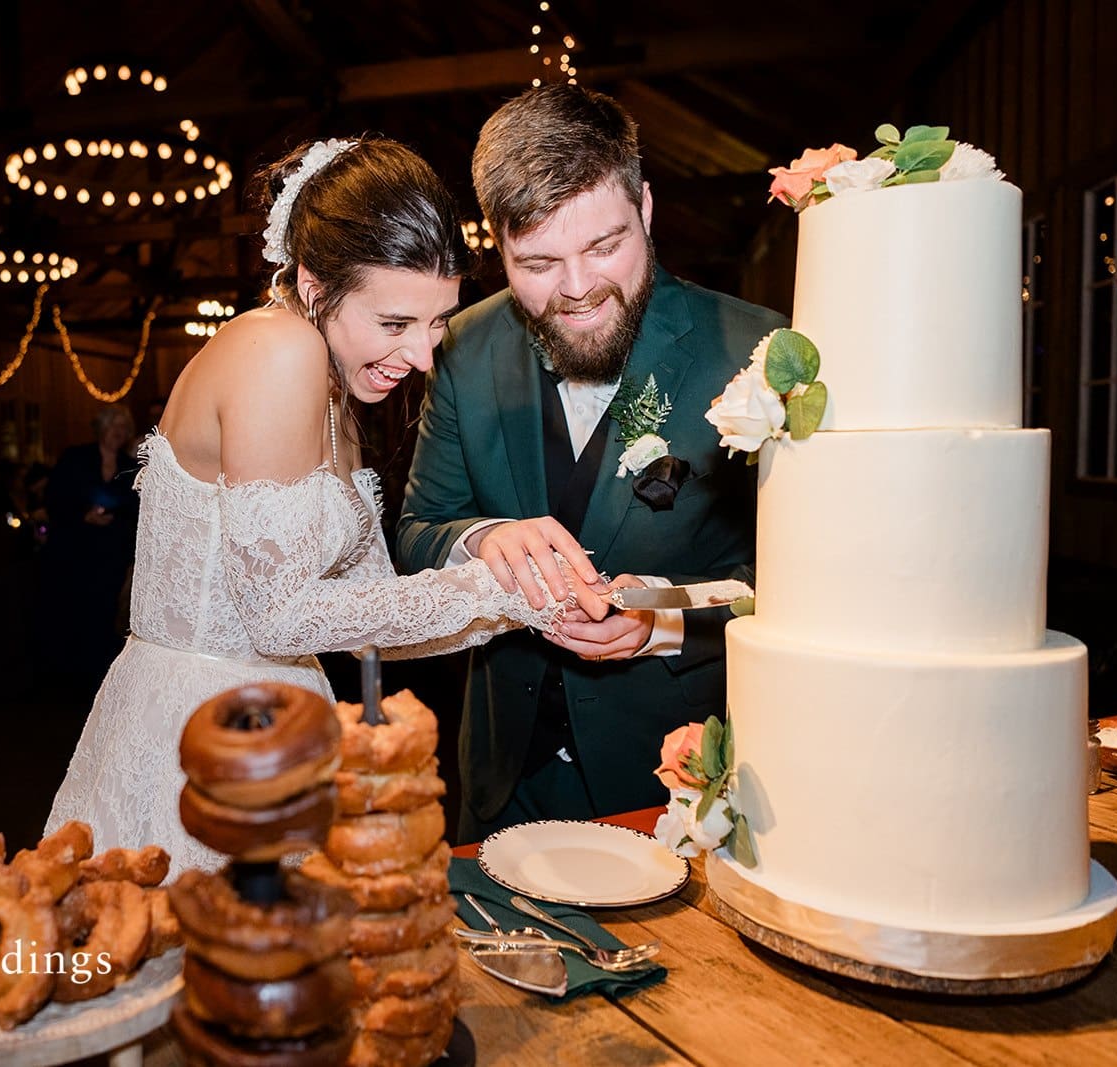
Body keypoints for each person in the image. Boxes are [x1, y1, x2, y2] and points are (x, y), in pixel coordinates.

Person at [46, 137, 607, 872]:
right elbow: (278, 615)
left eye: (437, 323)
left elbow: (374, 617)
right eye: (396, 323)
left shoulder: (337, 385)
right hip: (209, 737)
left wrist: (530, 598)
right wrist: (484, 586)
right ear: (315, 286)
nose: (424, 357)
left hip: (283, 724)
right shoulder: (277, 350)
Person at [396, 84, 787, 843]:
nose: (576, 290)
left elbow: (802, 589)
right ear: (497, 245)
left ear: (644, 207)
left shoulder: (757, 352)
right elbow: (416, 532)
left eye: (604, 247)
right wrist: (479, 539)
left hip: (676, 786)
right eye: (537, 262)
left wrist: (664, 620)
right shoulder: (462, 349)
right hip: (500, 779)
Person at [39, 405, 142, 696]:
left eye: (123, 428)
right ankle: (69, 680)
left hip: (110, 553)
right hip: (74, 550)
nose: (118, 433)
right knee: (72, 611)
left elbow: (135, 510)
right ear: (102, 428)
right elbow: (55, 498)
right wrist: (83, 515)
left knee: (104, 614)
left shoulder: (128, 466)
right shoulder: (75, 458)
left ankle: (100, 679)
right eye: (114, 426)